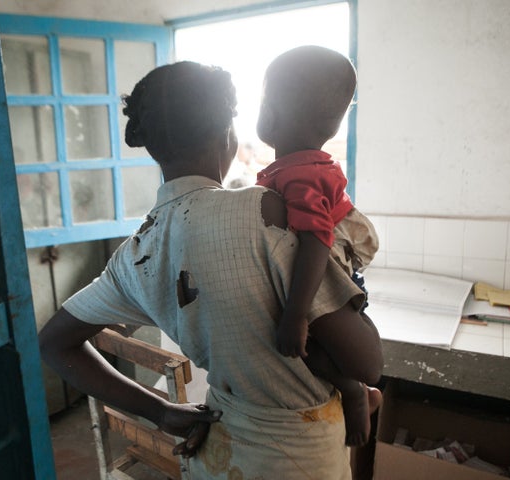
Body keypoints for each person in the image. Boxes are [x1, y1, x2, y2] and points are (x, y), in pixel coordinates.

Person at [38, 60, 383, 479]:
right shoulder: (267, 211)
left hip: (216, 453)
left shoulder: (136, 253)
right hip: (299, 460)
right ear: (228, 135)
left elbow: (54, 343)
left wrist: (160, 411)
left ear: (153, 147)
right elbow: (366, 363)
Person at [255, 45, 380, 447]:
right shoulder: (304, 166)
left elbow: (315, 242)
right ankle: (355, 388)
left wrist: (295, 315)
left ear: (270, 114)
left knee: (297, 342)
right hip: (336, 256)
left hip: (325, 260)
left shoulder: (299, 173)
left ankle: (353, 390)